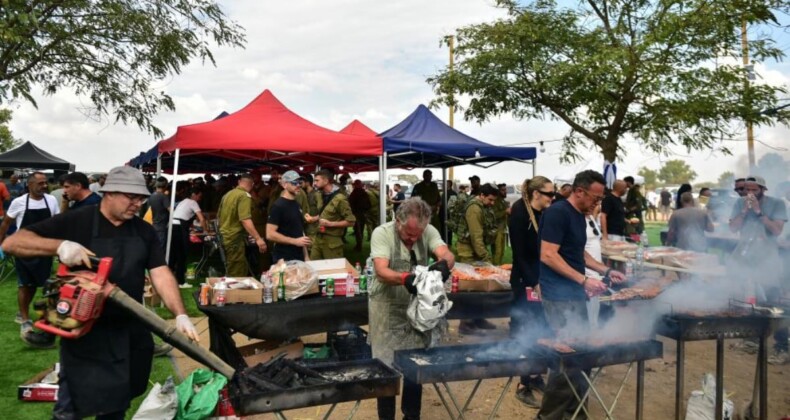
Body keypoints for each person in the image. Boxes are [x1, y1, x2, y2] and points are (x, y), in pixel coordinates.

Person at [1, 166, 200, 419]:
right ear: (109, 193)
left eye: (141, 199)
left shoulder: (143, 230)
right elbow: (13, 242)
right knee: (72, 405)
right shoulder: (77, 220)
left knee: (118, 402)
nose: (137, 204)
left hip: (130, 328)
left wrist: (180, 314)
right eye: (131, 197)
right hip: (86, 331)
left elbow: (159, 271)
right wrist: (59, 245)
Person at [537, 170, 627, 420]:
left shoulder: (580, 215)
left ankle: (576, 415)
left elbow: (579, 254)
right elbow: (548, 255)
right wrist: (584, 280)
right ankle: (549, 417)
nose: (598, 204)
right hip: (558, 296)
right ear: (579, 192)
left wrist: (605, 270)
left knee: (581, 358)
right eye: (595, 199)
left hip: (574, 294)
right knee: (567, 361)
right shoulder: (557, 213)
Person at [368, 197, 454, 420]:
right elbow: (381, 270)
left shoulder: (427, 229)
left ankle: (411, 414)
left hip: (416, 308)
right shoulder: (382, 233)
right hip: (387, 307)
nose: (413, 238)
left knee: (416, 363)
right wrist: (405, 278)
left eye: (418, 234)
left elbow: (446, 253)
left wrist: (444, 264)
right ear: (398, 221)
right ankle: (386, 417)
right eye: (408, 233)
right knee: (386, 366)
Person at [728, 175, 788, 364]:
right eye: (747, 190)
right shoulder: (739, 204)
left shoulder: (777, 204)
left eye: (754, 190)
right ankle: (752, 339)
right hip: (744, 258)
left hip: (767, 259)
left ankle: (782, 347)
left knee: (773, 302)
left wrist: (759, 212)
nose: (750, 193)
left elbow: (777, 230)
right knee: (747, 301)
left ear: (763, 189)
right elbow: (732, 228)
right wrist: (745, 211)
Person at [508, 176, 554, 408]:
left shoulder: (543, 213)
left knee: (541, 328)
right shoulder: (519, 212)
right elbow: (519, 253)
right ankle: (522, 383)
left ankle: (535, 374)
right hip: (524, 281)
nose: (552, 199)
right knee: (525, 329)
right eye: (549, 194)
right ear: (536, 193)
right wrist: (533, 281)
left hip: (540, 279)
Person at [0, 172, 59, 346]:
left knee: (45, 285)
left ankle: (39, 317)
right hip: (24, 249)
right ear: (29, 185)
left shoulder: (51, 201)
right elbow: (5, 223)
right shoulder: (19, 202)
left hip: (44, 248)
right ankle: (25, 319)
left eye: (45, 183)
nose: (44, 186)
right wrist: (2, 244)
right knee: (25, 284)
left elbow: (56, 222)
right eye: (40, 183)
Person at [455, 183, 498, 334]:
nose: (492, 203)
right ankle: (466, 323)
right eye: (490, 200)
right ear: (482, 195)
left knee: (480, 287)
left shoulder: (481, 207)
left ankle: (478, 318)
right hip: (468, 252)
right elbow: (476, 236)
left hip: (475, 251)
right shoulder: (474, 209)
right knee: (471, 289)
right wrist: (486, 258)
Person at [218, 173, 267, 277]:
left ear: (239, 182)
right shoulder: (244, 196)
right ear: (252, 185)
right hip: (234, 238)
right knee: (237, 270)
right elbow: (245, 219)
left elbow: (219, 216)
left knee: (233, 266)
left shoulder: (228, 194)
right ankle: (235, 292)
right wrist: (258, 238)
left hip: (226, 235)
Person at [308, 169, 355, 260]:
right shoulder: (321, 195)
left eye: (317, 180)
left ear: (326, 181)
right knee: (313, 267)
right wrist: (314, 218)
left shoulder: (340, 198)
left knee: (333, 270)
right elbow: (325, 213)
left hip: (332, 241)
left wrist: (330, 224)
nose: (314, 183)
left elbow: (351, 222)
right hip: (318, 238)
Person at [267, 171, 311, 262]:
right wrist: (295, 241)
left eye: (299, 182)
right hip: (284, 258)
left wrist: (306, 256)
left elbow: (300, 232)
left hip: (299, 257)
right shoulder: (278, 206)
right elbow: (270, 234)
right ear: (285, 185)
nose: (298, 185)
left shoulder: (297, 204)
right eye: (294, 182)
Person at [169, 187, 208, 287]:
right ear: (194, 194)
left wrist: (192, 227)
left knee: (173, 255)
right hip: (178, 228)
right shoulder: (193, 202)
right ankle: (180, 282)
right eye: (199, 196)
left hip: (171, 227)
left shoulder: (183, 201)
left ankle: (170, 279)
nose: (199, 199)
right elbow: (202, 219)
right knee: (181, 255)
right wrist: (205, 231)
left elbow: (184, 217)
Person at [301, 173, 322, 250]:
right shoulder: (303, 194)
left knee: (312, 247)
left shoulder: (316, 194)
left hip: (313, 226)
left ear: (307, 182)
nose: (300, 184)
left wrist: (314, 218)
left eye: (301, 182)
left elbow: (322, 211)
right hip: (305, 225)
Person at [349, 180, 371, 252]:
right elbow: (369, 204)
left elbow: (350, 203)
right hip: (363, 214)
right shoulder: (364, 193)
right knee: (360, 230)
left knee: (357, 230)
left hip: (356, 214)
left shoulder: (354, 193)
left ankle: (359, 246)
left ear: (355, 185)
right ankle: (359, 245)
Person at [148, 180, 170, 252]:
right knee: (160, 247)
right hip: (161, 225)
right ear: (165, 187)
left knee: (153, 245)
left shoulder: (151, 196)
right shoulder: (163, 196)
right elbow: (170, 210)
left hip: (153, 223)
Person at [492, 183, 510, 265]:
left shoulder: (503, 201)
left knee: (502, 251)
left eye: (505, 190)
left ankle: (498, 266)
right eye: (503, 190)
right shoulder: (495, 201)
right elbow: (494, 215)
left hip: (503, 229)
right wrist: (505, 211)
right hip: (497, 230)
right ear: (498, 191)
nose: (505, 192)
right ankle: (495, 268)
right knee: (497, 251)